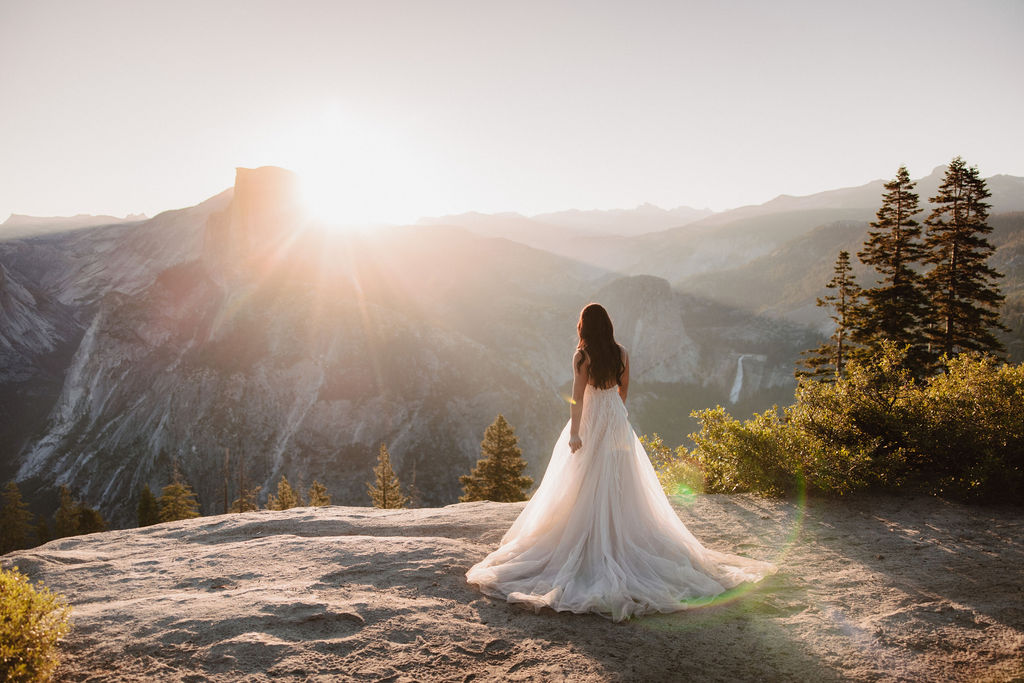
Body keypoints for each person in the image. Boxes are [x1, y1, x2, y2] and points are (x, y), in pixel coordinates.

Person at [466, 302, 775, 621]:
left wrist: (575, 432)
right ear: (608, 326)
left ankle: (589, 537)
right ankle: (617, 531)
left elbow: (577, 397)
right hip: (615, 418)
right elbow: (624, 390)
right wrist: (614, 412)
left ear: (584, 327)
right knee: (619, 479)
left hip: (592, 418)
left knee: (581, 479)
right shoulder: (622, 353)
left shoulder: (582, 356)